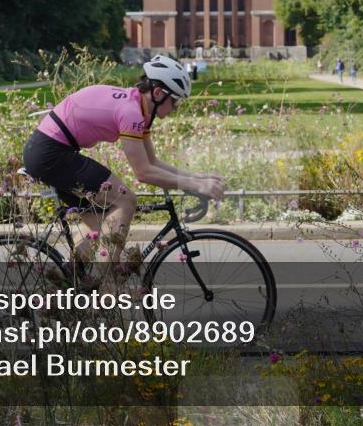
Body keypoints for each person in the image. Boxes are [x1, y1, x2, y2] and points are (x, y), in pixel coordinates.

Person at [23, 55, 224, 286]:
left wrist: (197, 178)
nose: (176, 108)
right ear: (158, 93)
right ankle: (107, 288)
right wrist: (195, 185)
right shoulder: (131, 112)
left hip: (49, 151)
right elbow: (143, 172)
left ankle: (70, 281)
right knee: (126, 200)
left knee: (101, 227)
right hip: (50, 153)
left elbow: (153, 162)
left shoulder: (140, 109)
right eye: (175, 101)